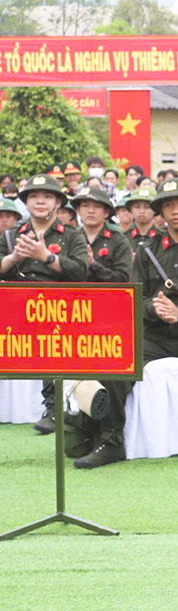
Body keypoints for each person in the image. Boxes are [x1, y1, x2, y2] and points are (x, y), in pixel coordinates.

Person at [75, 178, 178, 468]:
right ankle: (111, 439)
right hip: (154, 332)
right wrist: (154, 309)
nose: (175, 211)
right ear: (161, 213)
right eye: (168, 206)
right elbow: (133, 298)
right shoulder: (146, 250)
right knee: (118, 359)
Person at [0, 174, 90, 434]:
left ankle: (53, 406)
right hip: (17, 305)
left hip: (58, 307)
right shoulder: (11, 236)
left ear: (58, 203)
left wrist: (47, 257)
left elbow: (81, 272)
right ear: (26, 202)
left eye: (48, 196)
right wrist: (14, 257)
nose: (40, 201)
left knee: (55, 334)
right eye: (34, 196)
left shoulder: (72, 235)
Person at [71, 185, 133, 284]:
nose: (91, 211)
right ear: (78, 210)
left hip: (107, 296)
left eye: (97, 206)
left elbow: (123, 278)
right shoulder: (71, 238)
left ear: (106, 212)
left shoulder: (118, 240)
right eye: (85, 206)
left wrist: (94, 265)